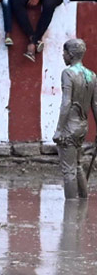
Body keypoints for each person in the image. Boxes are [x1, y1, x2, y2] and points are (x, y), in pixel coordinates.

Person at [53, 39, 97, 199]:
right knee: (77, 166)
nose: (63, 55)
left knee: (68, 170)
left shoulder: (68, 73)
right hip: (82, 127)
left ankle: (71, 209)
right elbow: (95, 105)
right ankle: (83, 202)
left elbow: (66, 103)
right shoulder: (91, 75)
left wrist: (58, 130)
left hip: (69, 128)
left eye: (64, 53)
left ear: (70, 55)